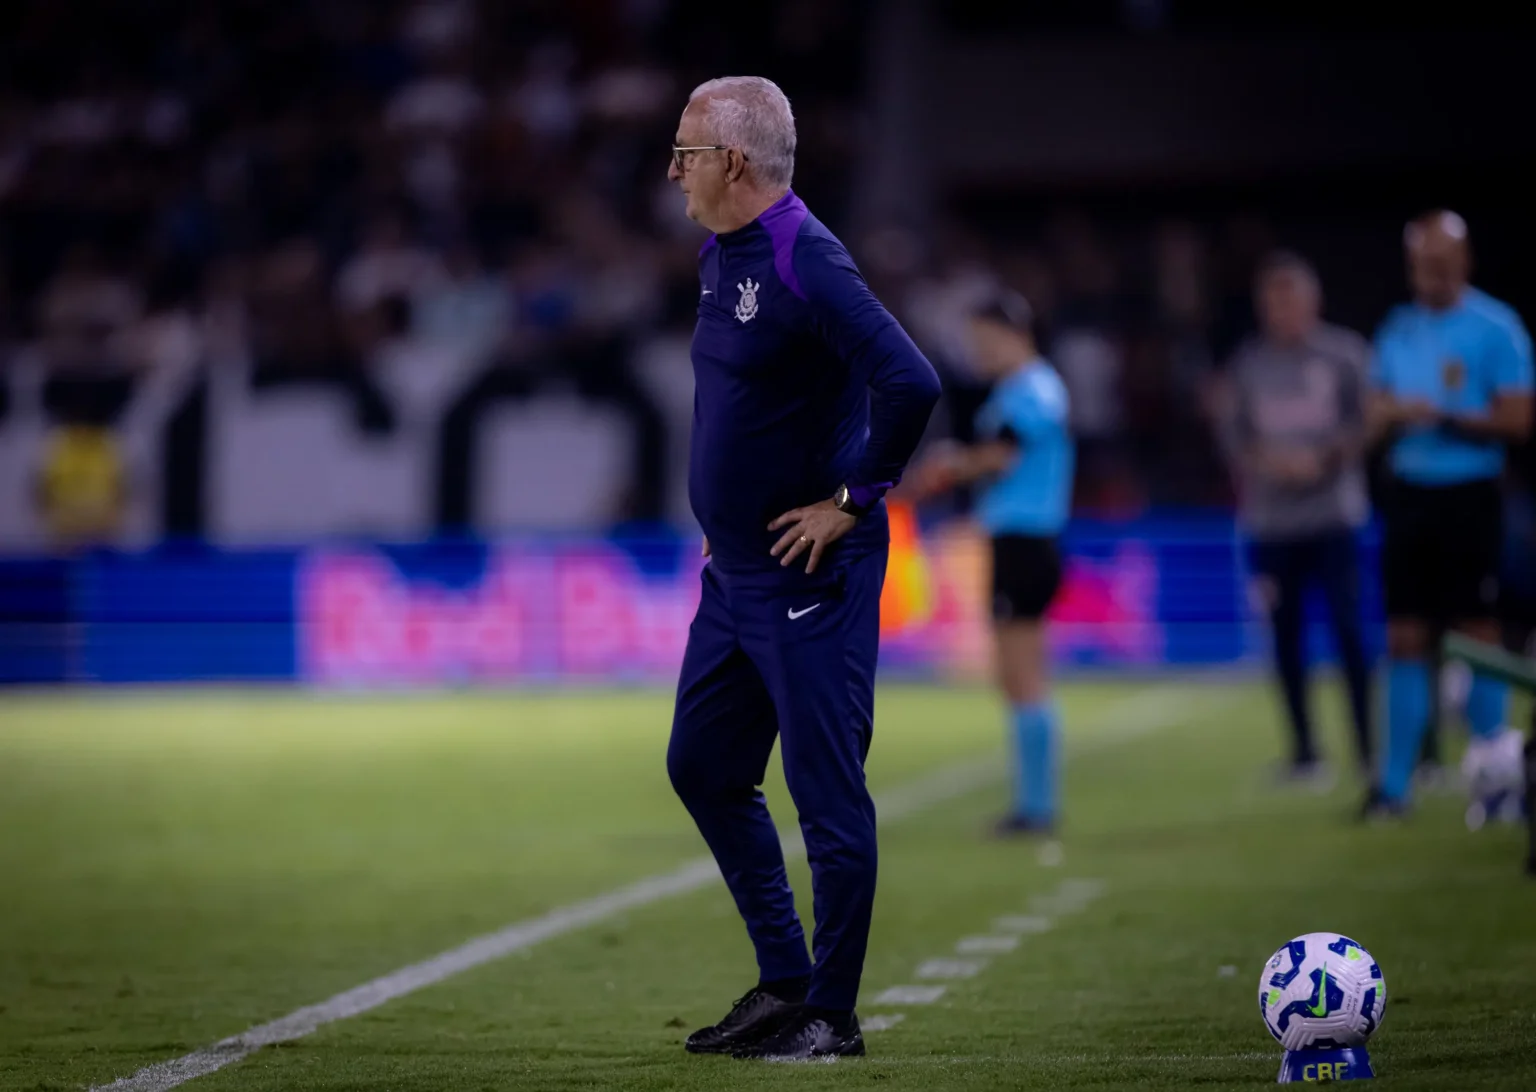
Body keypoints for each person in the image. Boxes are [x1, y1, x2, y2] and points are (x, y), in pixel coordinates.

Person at [663, 76, 940, 1062]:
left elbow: (911, 379)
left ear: (733, 163)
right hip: (733, 574)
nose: (673, 169)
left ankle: (833, 1011)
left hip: (805, 576)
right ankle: (784, 983)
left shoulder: (804, 257)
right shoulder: (718, 252)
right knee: (702, 767)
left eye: (686, 151)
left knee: (825, 791)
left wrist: (854, 501)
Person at [1366, 210, 1533, 818]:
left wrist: (1444, 416)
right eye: (1420, 265)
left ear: (1464, 262)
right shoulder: (1398, 328)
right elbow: (1372, 408)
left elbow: (1518, 420)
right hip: (1409, 495)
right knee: (1405, 638)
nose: (1429, 275)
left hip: (1470, 496)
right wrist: (1385, 415)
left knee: (1476, 636)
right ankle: (1393, 789)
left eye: (1440, 263)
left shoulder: (1497, 328)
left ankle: (1495, 781)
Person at [905, 289, 1073, 835]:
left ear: (1016, 335)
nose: (978, 350)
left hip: (1026, 541)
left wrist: (953, 464)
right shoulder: (1023, 388)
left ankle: (1036, 808)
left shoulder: (1034, 388)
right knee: (1018, 677)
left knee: (1021, 677)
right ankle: (1033, 803)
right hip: (1020, 541)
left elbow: (1004, 451)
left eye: (985, 338)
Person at [1217, 252, 1374, 785]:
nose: (1280, 312)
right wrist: (1270, 462)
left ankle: (1368, 748)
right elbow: (1234, 436)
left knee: (1350, 632)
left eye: (1289, 300)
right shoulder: (1249, 363)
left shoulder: (1345, 354)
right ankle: (1305, 752)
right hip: (1271, 524)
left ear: (1312, 302)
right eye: (1271, 302)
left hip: (1334, 518)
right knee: (1285, 638)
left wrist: (1324, 459)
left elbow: (1370, 421)